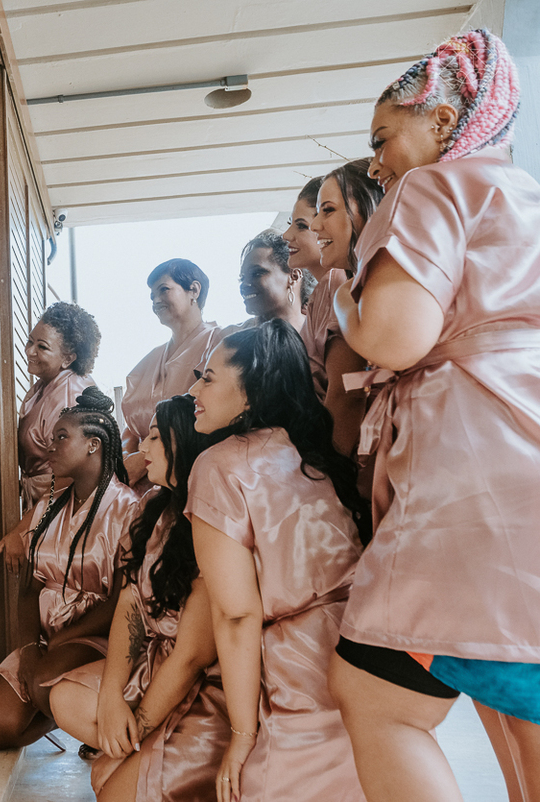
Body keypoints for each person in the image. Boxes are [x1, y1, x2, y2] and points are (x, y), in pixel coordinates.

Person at [328, 30, 540, 802]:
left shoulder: (435, 187)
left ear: (444, 121)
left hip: (475, 467)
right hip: (524, 449)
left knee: (372, 691)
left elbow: (396, 335)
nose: (376, 163)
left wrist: (344, 300)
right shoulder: (524, 195)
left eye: (382, 138)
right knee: (518, 706)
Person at [186, 321, 368, 801]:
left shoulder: (219, 465)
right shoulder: (306, 450)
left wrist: (242, 736)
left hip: (301, 670)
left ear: (250, 393)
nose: (193, 391)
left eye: (207, 379)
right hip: (361, 645)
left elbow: (236, 614)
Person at [48, 395, 229, 801]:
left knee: (108, 788)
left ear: (183, 444)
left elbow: (191, 657)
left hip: (198, 682)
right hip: (153, 658)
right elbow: (129, 602)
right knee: (65, 698)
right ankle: (133, 757)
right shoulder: (153, 506)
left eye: (154, 438)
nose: (142, 447)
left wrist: (136, 733)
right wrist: (112, 699)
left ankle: (146, 759)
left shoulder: (210, 518)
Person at [0, 387, 141, 750]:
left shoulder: (128, 509)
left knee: (42, 681)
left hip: (97, 634)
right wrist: (29, 647)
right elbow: (28, 589)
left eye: (61, 438)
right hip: (46, 637)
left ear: (94, 445)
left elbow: (122, 602)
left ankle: (77, 713)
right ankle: (59, 714)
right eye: (50, 439)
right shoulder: (48, 507)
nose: (49, 448)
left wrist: (62, 641)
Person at [119, 259, 221, 491]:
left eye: (163, 290)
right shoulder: (149, 360)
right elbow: (131, 430)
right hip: (136, 482)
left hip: (190, 476)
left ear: (194, 290)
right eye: (152, 296)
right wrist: (126, 458)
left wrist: (145, 459)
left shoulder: (218, 343)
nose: (155, 301)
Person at [306, 161, 384, 455]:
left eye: (327, 210)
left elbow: (347, 397)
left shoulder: (353, 293)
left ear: (370, 209)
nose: (315, 225)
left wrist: (328, 473)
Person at [16, 302, 101, 509]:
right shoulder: (44, 384)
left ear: (68, 358)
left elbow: (74, 473)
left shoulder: (70, 396)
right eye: (30, 341)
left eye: (42, 347)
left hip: (60, 506)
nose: (29, 351)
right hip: (43, 502)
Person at [225, 230, 316, 336]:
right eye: (242, 278)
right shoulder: (232, 339)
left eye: (257, 273)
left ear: (294, 276)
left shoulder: (321, 335)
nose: (244, 285)